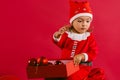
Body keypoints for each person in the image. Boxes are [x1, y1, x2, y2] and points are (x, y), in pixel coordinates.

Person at [53, 0, 98, 80]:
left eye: (87, 21)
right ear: (72, 22)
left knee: (72, 77)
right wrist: (58, 35)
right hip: (65, 64)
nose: (84, 24)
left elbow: (93, 52)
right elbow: (61, 44)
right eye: (80, 21)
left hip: (81, 66)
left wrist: (82, 56)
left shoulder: (88, 37)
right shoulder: (68, 34)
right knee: (53, 75)